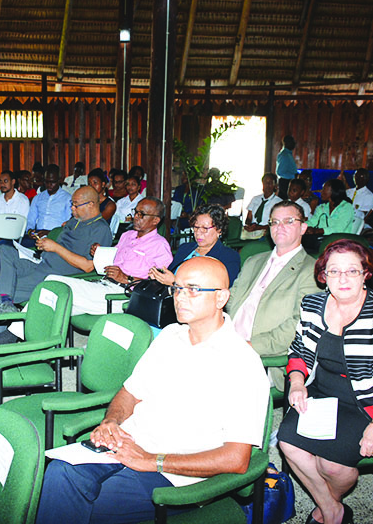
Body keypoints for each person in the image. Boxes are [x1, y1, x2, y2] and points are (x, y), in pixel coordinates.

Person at [36, 256, 269, 524]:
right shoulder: (170, 336)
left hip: (174, 473)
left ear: (221, 298)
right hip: (126, 445)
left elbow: (236, 459)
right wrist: (111, 421)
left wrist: (153, 461)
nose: (180, 298)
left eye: (193, 289)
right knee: (57, 475)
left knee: (85, 506)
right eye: (178, 288)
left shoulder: (242, 363)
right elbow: (130, 392)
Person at [278, 239, 373, 524]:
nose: (342, 278)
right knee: (288, 443)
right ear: (323, 275)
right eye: (334, 271)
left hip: (371, 402)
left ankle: (327, 510)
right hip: (323, 393)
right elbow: (300, 351)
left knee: (331, 464)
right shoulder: (312, 303)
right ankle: (333, 510)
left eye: (351, 271)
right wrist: (297, 382)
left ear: (365, 273)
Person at [225, 201, 319, 387]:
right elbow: (229, 301)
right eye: (274, 222)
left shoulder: (311, 270)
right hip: (228, 342)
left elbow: (298, 326)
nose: (280, 227)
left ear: (303, 228)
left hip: (264, 357)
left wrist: (248, 347)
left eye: (288, 221)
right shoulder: (254, 261)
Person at [46, 197, 172, 316]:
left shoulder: (160, 246)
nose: (135, 217)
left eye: (142, 214)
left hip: (123, 296)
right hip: (104, 285)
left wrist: (126, 278)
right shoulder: (127, 236)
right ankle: (30, 331)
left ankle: (29, 330)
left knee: (53, 285)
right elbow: (112, 258)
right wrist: (99, 252)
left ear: (155, 220)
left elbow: (157, 286)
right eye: (135, 212)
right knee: (53, 303)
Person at [0, 186, 112, 303]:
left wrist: (55, 248)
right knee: (3, 249)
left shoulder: (100, 229)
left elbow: (88, 266)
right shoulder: (74, 221)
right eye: (72, 204)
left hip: (56, 274)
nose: (72, 208)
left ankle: (2, 304)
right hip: (40, 263)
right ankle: (3, 302)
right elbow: (62, 245)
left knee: (1, 288)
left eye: (76, 205)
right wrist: (46, 246)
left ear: (90, 204)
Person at [149, 204, 241, 288]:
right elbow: (171, 274)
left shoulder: (229, 256)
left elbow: (219, 289)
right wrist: (159, 276)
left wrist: (175, 282)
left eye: (205, 228)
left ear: (219, 230)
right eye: (196, 227)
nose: (198, 233)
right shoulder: (185, 248)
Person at [26, 164, 72, 245]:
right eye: (47, 182)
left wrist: (49, 233)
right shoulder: (37, 198)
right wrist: (30, 231)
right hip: (37, 235)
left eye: (53, 182)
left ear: (59, 180)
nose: (49, 185)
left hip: (57, 236)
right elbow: (30, 220)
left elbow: (68, 225)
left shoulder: (68, 199)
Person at [276, 135, 298, 199]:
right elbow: (280, 172)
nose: (294, 144)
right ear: (285, 143)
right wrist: (293, 175)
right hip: (285, 182)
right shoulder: (284, 155)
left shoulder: (288, 154)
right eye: (291, 142)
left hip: (289, 181)